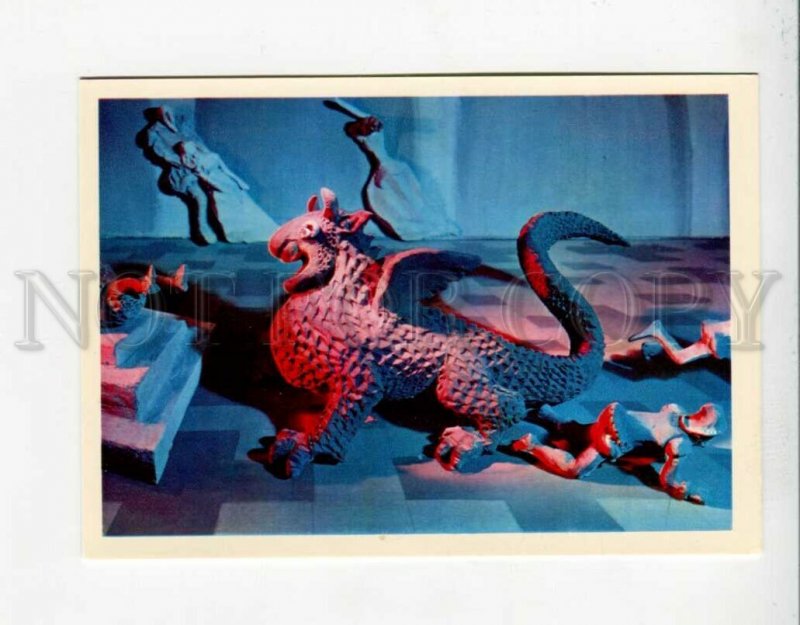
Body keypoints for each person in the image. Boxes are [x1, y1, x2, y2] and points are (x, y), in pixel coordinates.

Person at [511, 401, 724, 504]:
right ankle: (531, 445)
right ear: (702, 436)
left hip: (610, 418)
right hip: (611, 439)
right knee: (574, 469)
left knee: (577, 431)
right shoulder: (679, 444)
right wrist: (678, 489)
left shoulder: (674, 410)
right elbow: (666, 479)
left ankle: (547, 415)